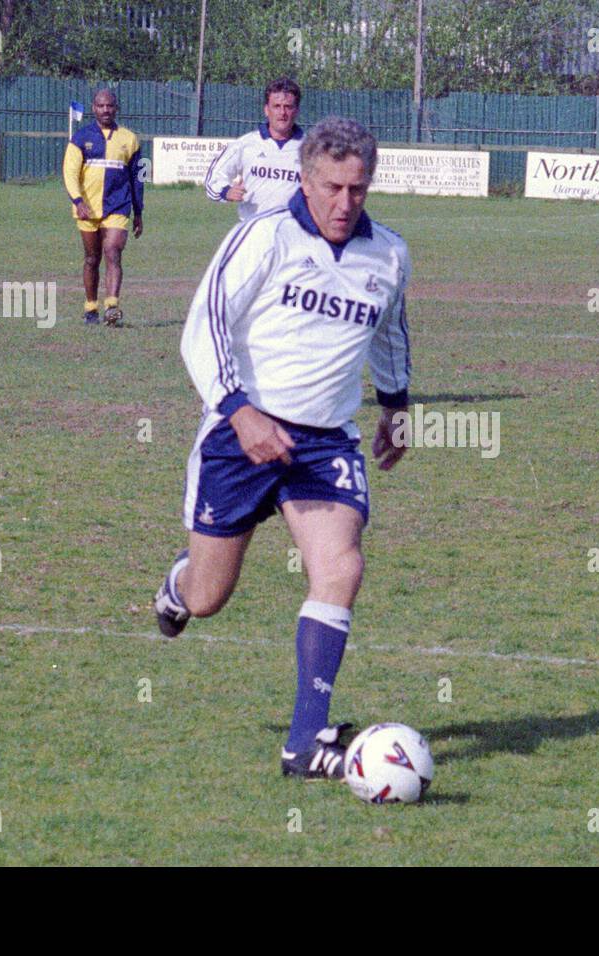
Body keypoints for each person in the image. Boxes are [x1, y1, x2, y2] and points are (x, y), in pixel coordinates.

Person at [154, 116, 412, 780]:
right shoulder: (263, 237)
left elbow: (388, 330)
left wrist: (395, 403)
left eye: (358, 188)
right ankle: (179, 585)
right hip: (241, 438)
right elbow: (200, 330)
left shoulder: (387, 253)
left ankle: (305, 743)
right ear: (305, 178)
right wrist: (240, 415)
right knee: (211, 596)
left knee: (341, 569)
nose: (344, 202)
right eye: (332, 187)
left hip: (326, 443)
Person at [62, 88, 144, 326]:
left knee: (112, 251)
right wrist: (78, 201)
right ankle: (90, 308)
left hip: (118, 206)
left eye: (109, 106)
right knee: (91, 258)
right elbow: (69, 173)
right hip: (87, 209)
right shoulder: (80, 138)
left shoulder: (129, 139)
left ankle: (111, 306)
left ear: (116, 108)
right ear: (93, 108)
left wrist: (139, 212)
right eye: (101, 106)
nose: (105, 110)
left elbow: (137, 179)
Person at [204, 77, 305, 221]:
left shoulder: (311, 149)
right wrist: (226, 191)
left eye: (288, 106)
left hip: (292, 232)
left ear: (296, 111)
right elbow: (214, 178)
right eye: (276, 106)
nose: (282, 113)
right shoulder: (246, 144)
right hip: (253, 231)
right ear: (266, 110)